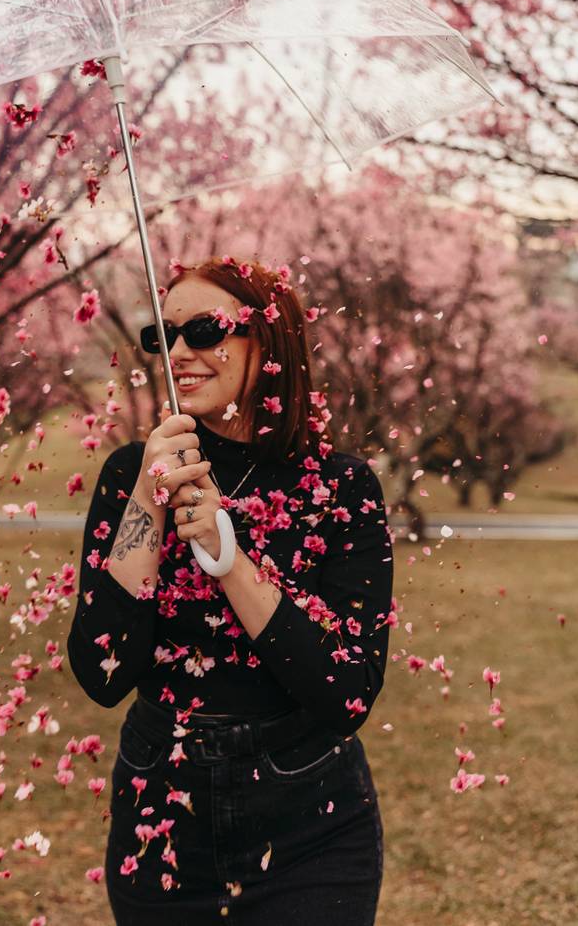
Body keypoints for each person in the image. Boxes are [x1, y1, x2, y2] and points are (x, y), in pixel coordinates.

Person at [67, 256, 394, 925]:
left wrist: (229, 560)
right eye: (165, 334)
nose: (179, 352)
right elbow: (103, 674)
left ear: (267, 341)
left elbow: (348, 691)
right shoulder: (133, 474)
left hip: (308, 816)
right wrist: (149, 498)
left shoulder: (341, 487)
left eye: (205, 330)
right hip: (163, 807)